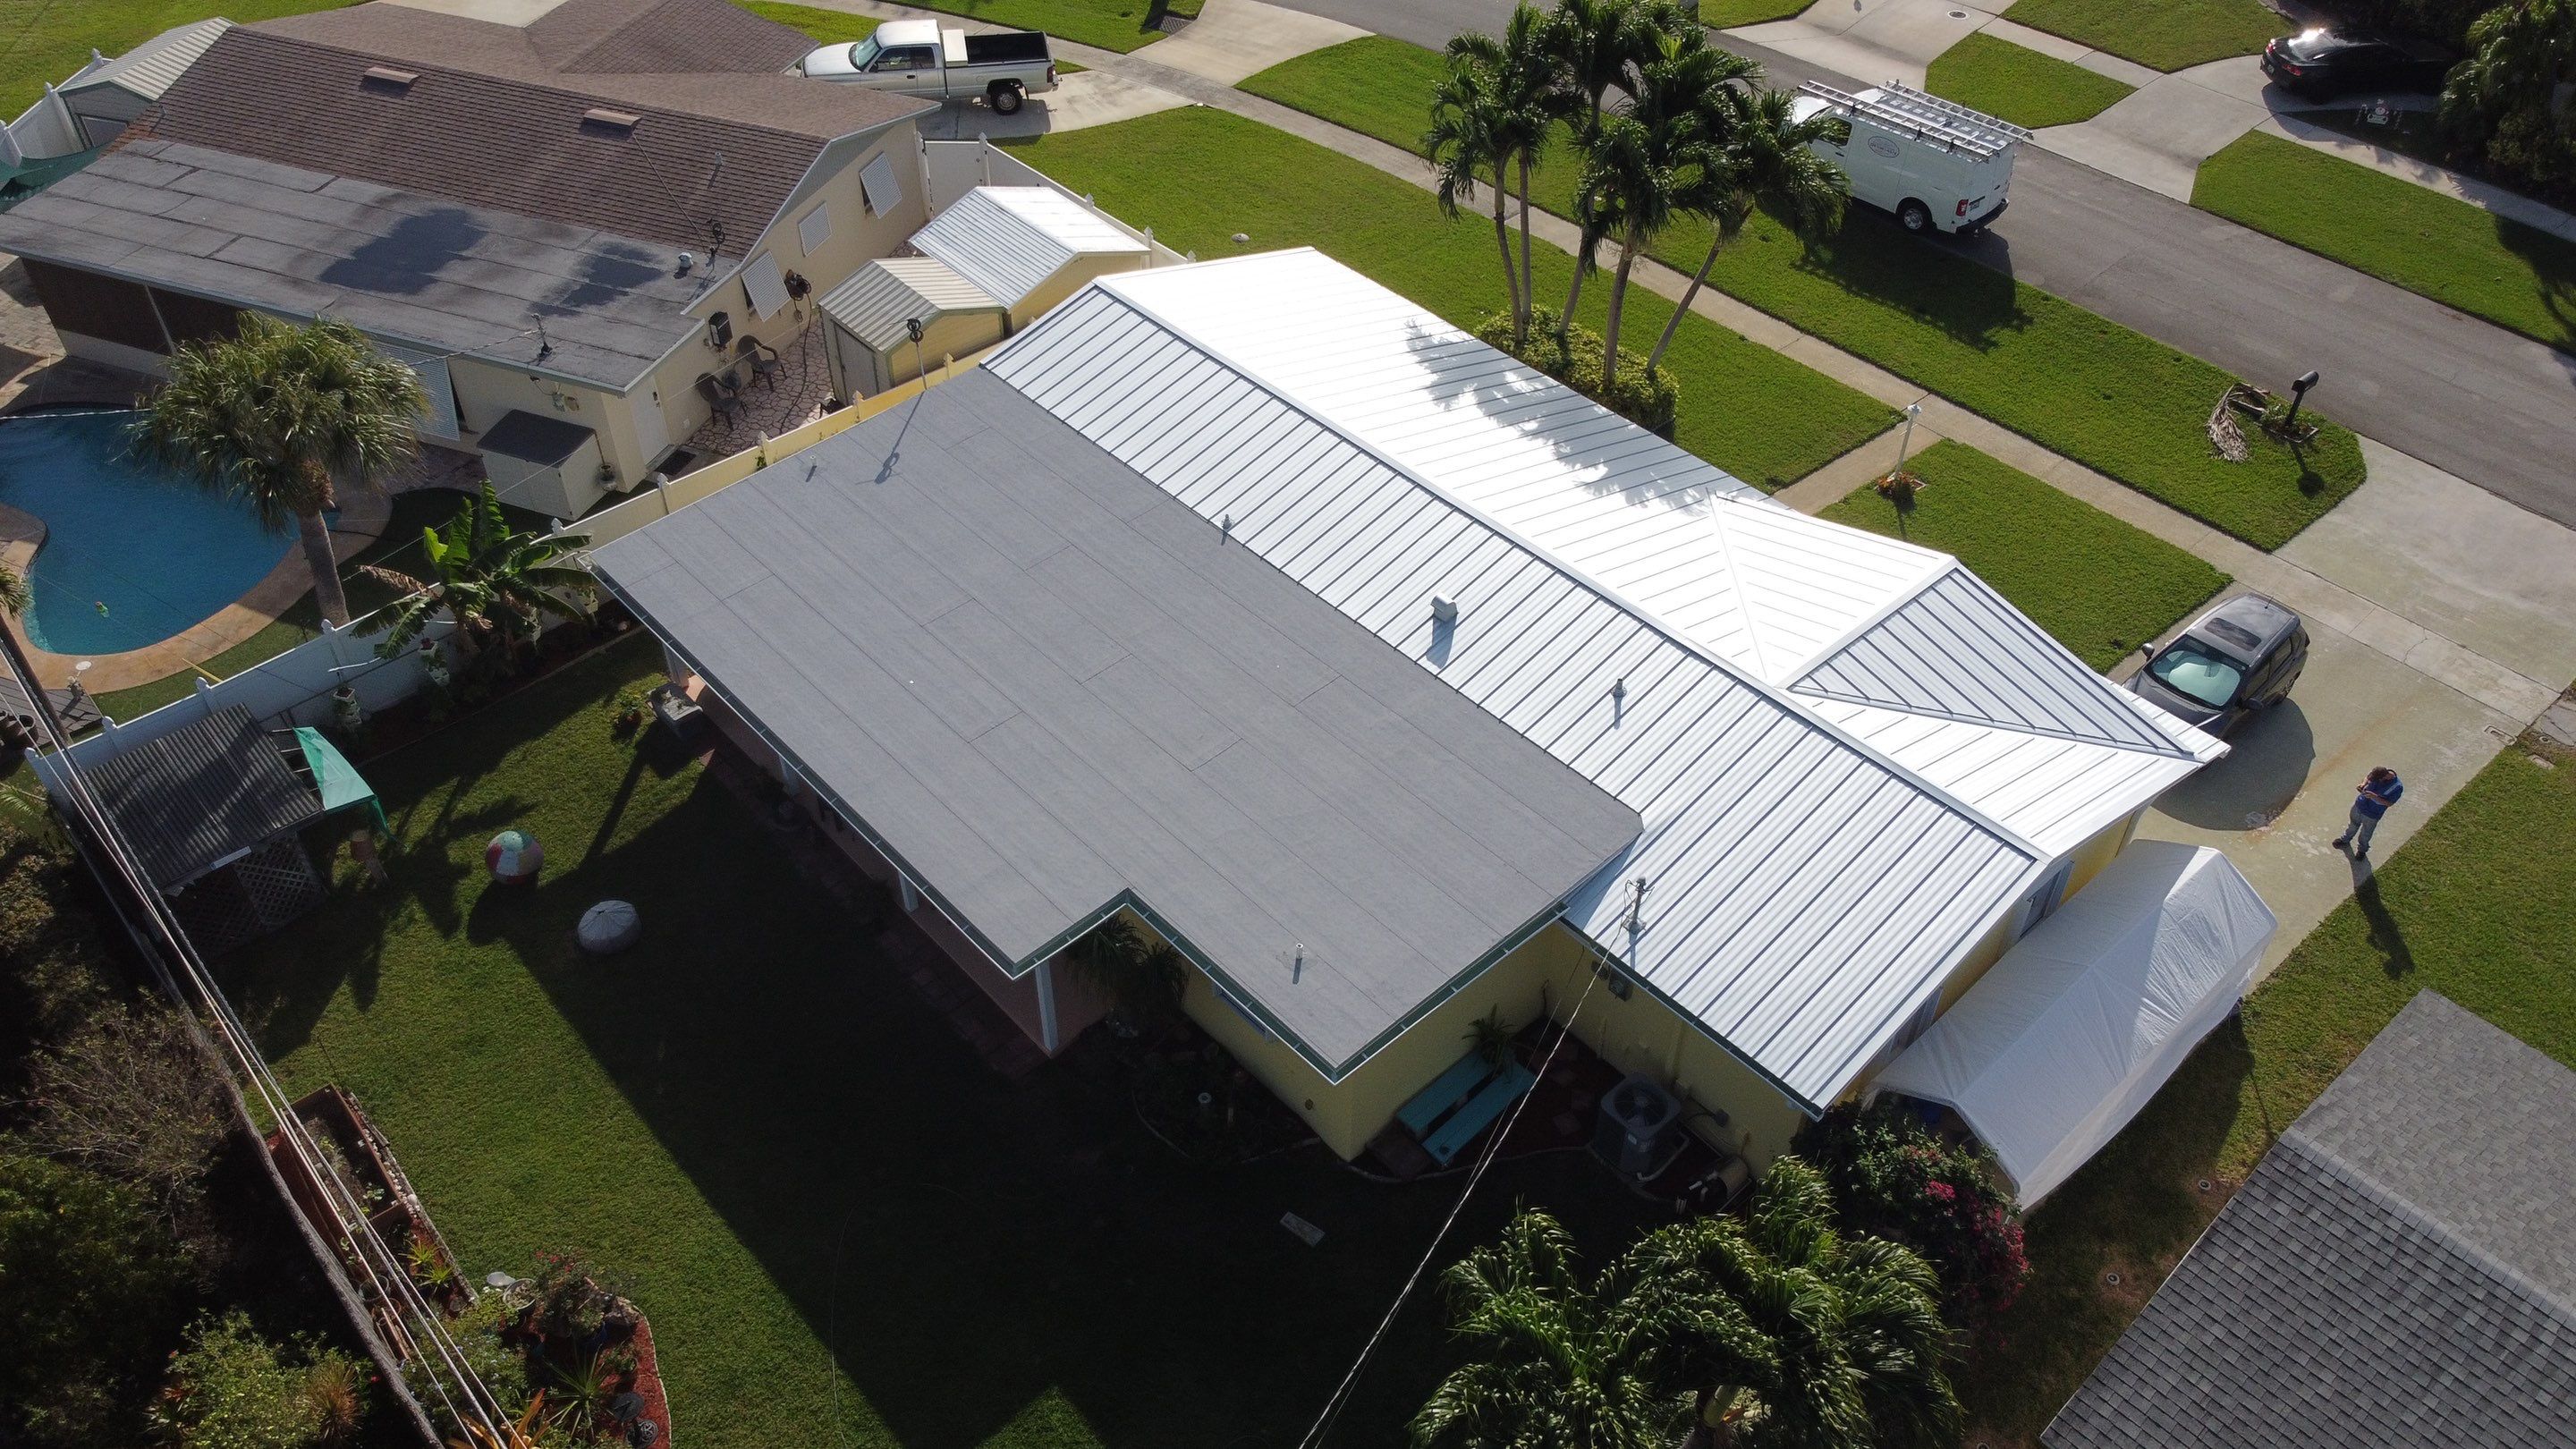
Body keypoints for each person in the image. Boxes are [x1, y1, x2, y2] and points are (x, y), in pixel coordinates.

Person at [2333, 767, 2403, 860]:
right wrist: (2363, 784)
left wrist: (2374, 797)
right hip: (2359, 805)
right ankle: (2345, 840)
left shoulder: (2397, 787)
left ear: (2384, 777)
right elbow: (2368, 777)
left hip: (2372, 814)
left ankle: (2362, 850)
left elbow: (2389, 803)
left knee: (2366, 833)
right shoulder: (2378, 773)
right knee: (2352, 825)